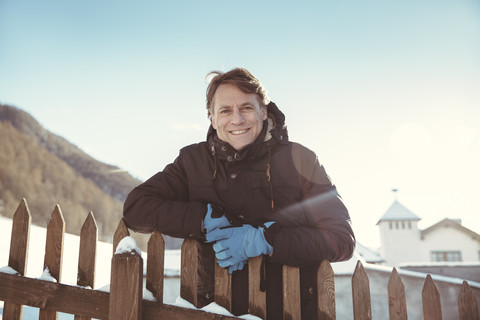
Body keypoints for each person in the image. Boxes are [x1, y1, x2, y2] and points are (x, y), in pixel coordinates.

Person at [123, 67, 355, 319]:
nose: (237, 119)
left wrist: (267, 240)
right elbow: (136, 209)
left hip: (293, 311)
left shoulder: (301, 160)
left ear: (263, 111)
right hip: (213, 309)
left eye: (246, 107)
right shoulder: (193, 162)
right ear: (212, 118)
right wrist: (201, 218)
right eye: (225, 110)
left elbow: (341, 240)